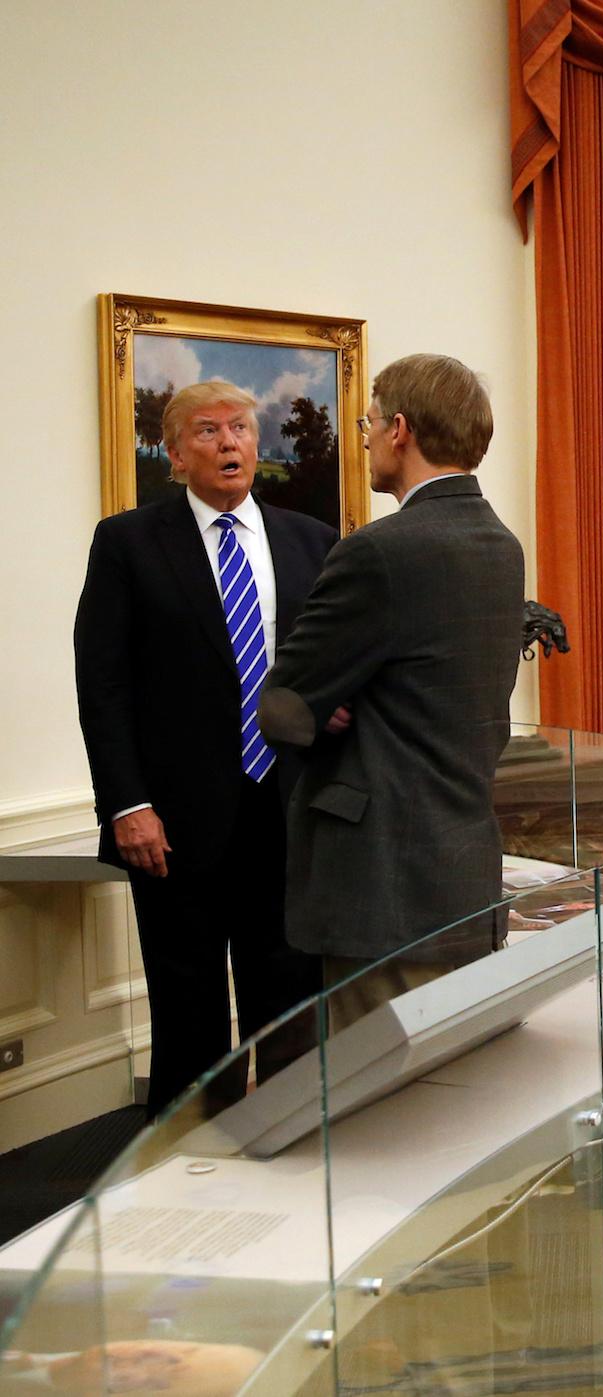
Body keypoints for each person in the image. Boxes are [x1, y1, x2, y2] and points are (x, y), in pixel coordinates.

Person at [74, 381, 336, 1114]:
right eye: (209, 430)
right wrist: (127, 803)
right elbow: (104, 687)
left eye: (242, 428)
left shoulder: (311, 541)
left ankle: (287, 1155)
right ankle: (184, 1173)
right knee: (188, 1014)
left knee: (288, 1006)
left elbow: (329, 667)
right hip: (171, 828)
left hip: (287, 812)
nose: (229, 442)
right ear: (175, 453)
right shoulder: (127, 543)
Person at [257, 354, 524, 1028]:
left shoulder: (378, 550)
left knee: (372, 1112)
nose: (366, 436)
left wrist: (330, 707)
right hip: (463, 872)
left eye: (369, 421)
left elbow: (283, 709)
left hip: (378, 890)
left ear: (400, 429)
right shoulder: (501, 542)